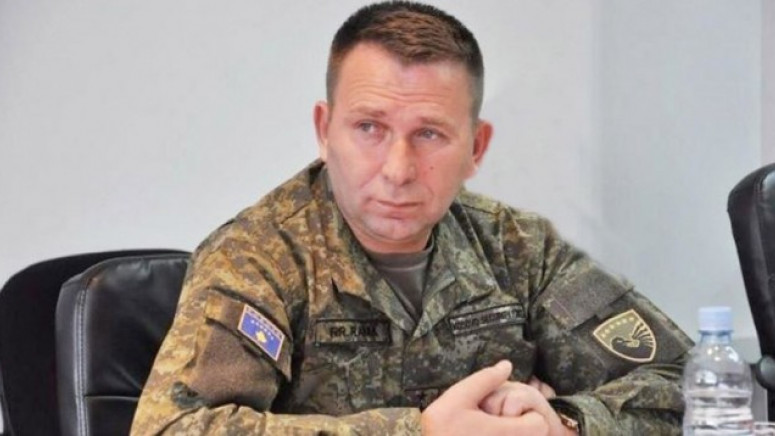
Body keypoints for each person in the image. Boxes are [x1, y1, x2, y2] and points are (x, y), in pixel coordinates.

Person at [131, 2, 692, 435]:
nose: (398, 169)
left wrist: (562, 422)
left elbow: (691, 383)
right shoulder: (260, 256)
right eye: (369, 128)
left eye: (429, 133)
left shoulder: (519, 248)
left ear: (476, 147)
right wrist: (418, 431)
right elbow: (173, 428)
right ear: (325, 131)